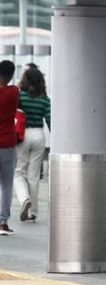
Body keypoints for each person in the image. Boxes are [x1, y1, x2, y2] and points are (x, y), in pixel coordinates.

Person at [14, 68, 50, 222]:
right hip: (39, 135)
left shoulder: (20, 96)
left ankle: (24, 200)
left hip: (22, 134)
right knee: (33, 175)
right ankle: (33, 212)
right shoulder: (45, 99)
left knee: (18, 171)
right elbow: (49, 120)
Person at [0, 60, 18, 236]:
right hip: (7, 143)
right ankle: (2, 222)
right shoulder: (13, 92)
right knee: (6, 184)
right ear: (12, 75)